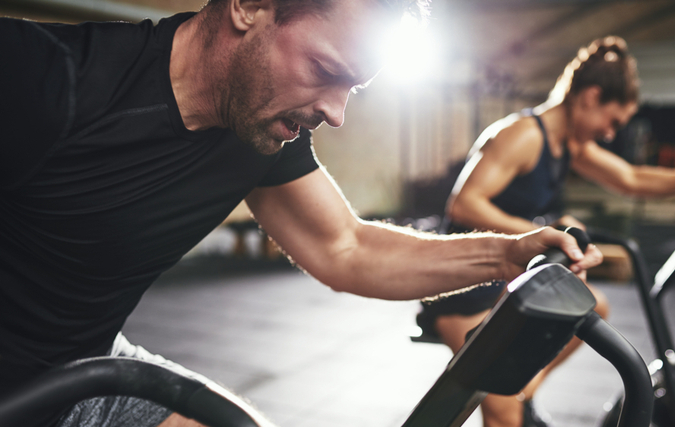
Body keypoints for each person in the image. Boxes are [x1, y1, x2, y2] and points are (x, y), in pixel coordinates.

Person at [0, 1, 603, 427]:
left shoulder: (260, 134)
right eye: (325, 72)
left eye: (354, 88)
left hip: (86, 372)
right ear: (249, 6)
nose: (338, 113)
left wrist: (508, 253)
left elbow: (347, 248)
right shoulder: (46, 76)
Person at [417, 36, 675, 427]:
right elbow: (465, 204)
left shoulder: (567, 144)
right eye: (613, 120)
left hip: (510, 277)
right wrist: (543, 232)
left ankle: (520, 391)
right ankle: (511, 399)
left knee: (593, 307)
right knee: (503, 413)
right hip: (467, 283)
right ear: (590, 97)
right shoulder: (523, 135)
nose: (610, 133)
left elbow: (631, 178)